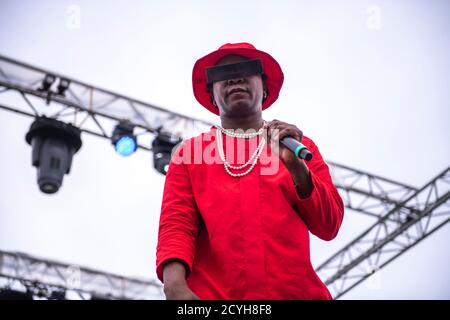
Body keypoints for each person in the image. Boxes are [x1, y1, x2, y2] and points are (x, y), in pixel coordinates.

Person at [156, 43, 344, 300]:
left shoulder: (299, 145)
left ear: (265, 87)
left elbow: (329, 225)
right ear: (211, 94)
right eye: (221, 74)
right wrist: (175, 287)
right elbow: (177, 225)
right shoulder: (189, 154)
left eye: (246, 69)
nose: (235, 77)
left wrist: (297, 168)